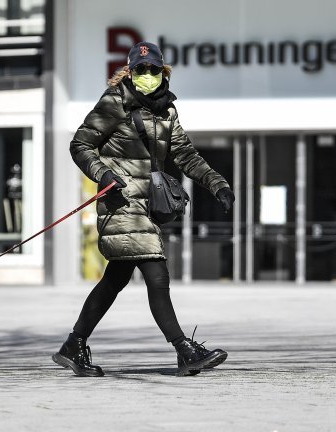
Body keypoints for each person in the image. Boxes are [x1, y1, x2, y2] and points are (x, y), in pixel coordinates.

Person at [52, 41, 235, 377]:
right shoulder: (114, 102)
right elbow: (80, 144)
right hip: (121, 202)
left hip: (146, 205)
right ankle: (184, 349)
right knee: (156, 272)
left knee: (115, 279)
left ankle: (74, 344)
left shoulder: (167, 111)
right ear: (130, 71)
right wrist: (103, 173)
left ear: (163, 71)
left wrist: (217, 184)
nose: (147, 74)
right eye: (140, 69)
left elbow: (185, 155)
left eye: (153, 69)